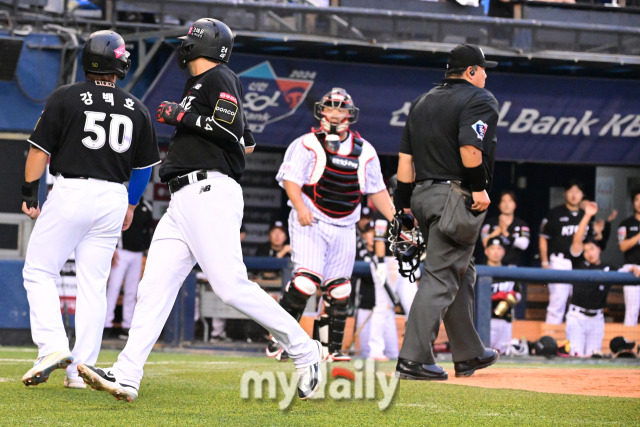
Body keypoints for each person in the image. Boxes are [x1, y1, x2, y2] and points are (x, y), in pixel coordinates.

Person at [77, 18, 322, 402]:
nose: (183, 47)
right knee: (153, 287)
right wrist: (200, 120)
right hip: (184, 198)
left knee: (230, 286)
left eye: (189, 41)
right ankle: (126, 375)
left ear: (206, 45)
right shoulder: (198, 86)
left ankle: (306, 350)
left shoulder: (220, 76)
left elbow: (226, 132)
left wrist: (182, 117)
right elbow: (245, 140)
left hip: (208, 190)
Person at [20, 30, 160, 389]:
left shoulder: (66, 97)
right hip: (113, 196)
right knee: (94, 285)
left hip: (72, 190)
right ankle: (81, 370)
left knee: (38, 270)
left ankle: (51, 345)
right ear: (119, 63)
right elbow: (143, 168)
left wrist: (29, 192)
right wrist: (130, 203)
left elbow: (39, 151)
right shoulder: (137, 107)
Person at [394, 44, 500, 381]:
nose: (485, 74)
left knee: (461, 270)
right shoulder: (479, 99)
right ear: (471, 71)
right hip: (454, 196)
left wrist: (404, 207)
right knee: (440, 276)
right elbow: (471, 148)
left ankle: (469, 353)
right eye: (483, 68)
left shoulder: (422, 101)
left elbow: (405, 163)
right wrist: (479, 187)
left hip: (423, 196)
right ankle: (413, 359)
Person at [266, 87, 395, 363]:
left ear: (350, 114)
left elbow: (377, 190)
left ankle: (327, 348)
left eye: (341, 109)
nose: (335, 114)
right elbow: (291, 180)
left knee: (340, 290)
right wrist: (300, 207)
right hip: (311, 220)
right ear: (322, 112)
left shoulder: (366, 151)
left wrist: (396, 219)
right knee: (306, 282)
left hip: (345, 226)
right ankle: (280, 339)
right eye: (331, 108)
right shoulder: (307, 144)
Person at [567, 200, 640, 357]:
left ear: (599, 249)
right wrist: (587, 216)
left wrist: (633, 268)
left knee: (594, 358)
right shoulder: (579, 263)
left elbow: (625, 271)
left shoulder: (608, 268)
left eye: (592, 249)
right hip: (577, 317)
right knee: (575, 358)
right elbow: (577, 242)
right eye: (586, 250)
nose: (589, 253)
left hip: (597, 319)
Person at [104, 198, 155, 340]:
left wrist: (146, 248)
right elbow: (111, 225)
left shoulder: (146, 205)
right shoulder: (121, 202)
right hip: (121, 252)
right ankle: (106, 324)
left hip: (137, 254)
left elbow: (148, 230)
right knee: (113, 288)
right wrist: (113, 248)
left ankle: (127, 326)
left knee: (132, 291)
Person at [539, 179, 587, 324]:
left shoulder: (585, 215)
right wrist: (545, 261)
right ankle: (551, 343)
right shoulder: (555, 213)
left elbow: (591, 241)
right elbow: (543, 237)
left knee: (578, 304)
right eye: (571, 191)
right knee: (557, 302)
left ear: (582, 195)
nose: (574, 195)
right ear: (566, 193)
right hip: (560, 261)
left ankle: (573, 343)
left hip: (579, 263)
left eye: (577, 192)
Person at [485, 238, 521, 355]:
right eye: (492, 248)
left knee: (504, 354)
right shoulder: (481, 272)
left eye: (499, 248)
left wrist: (512, 295)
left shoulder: (509, 272)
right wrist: (495, 296)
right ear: (486, 251)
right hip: (485, 320)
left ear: (503, 252)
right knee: (485, 353)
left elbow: (519, 294)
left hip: (506, 320)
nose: (496, 252)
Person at [481, 190, 530, 266]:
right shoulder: (490, 223)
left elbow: (524, 245)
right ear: (499, 205)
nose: (507, 204)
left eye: (510, 201)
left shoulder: (521, 224)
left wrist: (506, 233)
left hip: (512, 266)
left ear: (515, 204)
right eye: (503, 201)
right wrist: (498, 230)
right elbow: (484, 243)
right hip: (491, 266)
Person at [618, 189, 640, 326]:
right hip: (631, 269)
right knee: (632, 311)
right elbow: (623, 246)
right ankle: (628, 346)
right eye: (637, 200)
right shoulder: (626, 224)